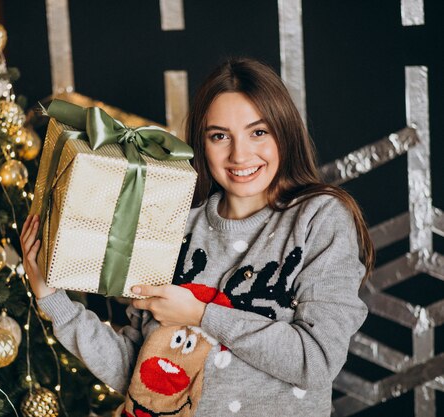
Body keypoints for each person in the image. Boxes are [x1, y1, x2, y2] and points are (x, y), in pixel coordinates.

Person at [20, 57, 373, 417]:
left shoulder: (319, 218)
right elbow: (138, 373)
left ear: (285, 131)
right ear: (202, 144)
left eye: (258, 132)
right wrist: (53, 300)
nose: (239, 154)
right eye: (220, 136)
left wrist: (203, 315)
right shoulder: (172, 225)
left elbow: (316, 360)